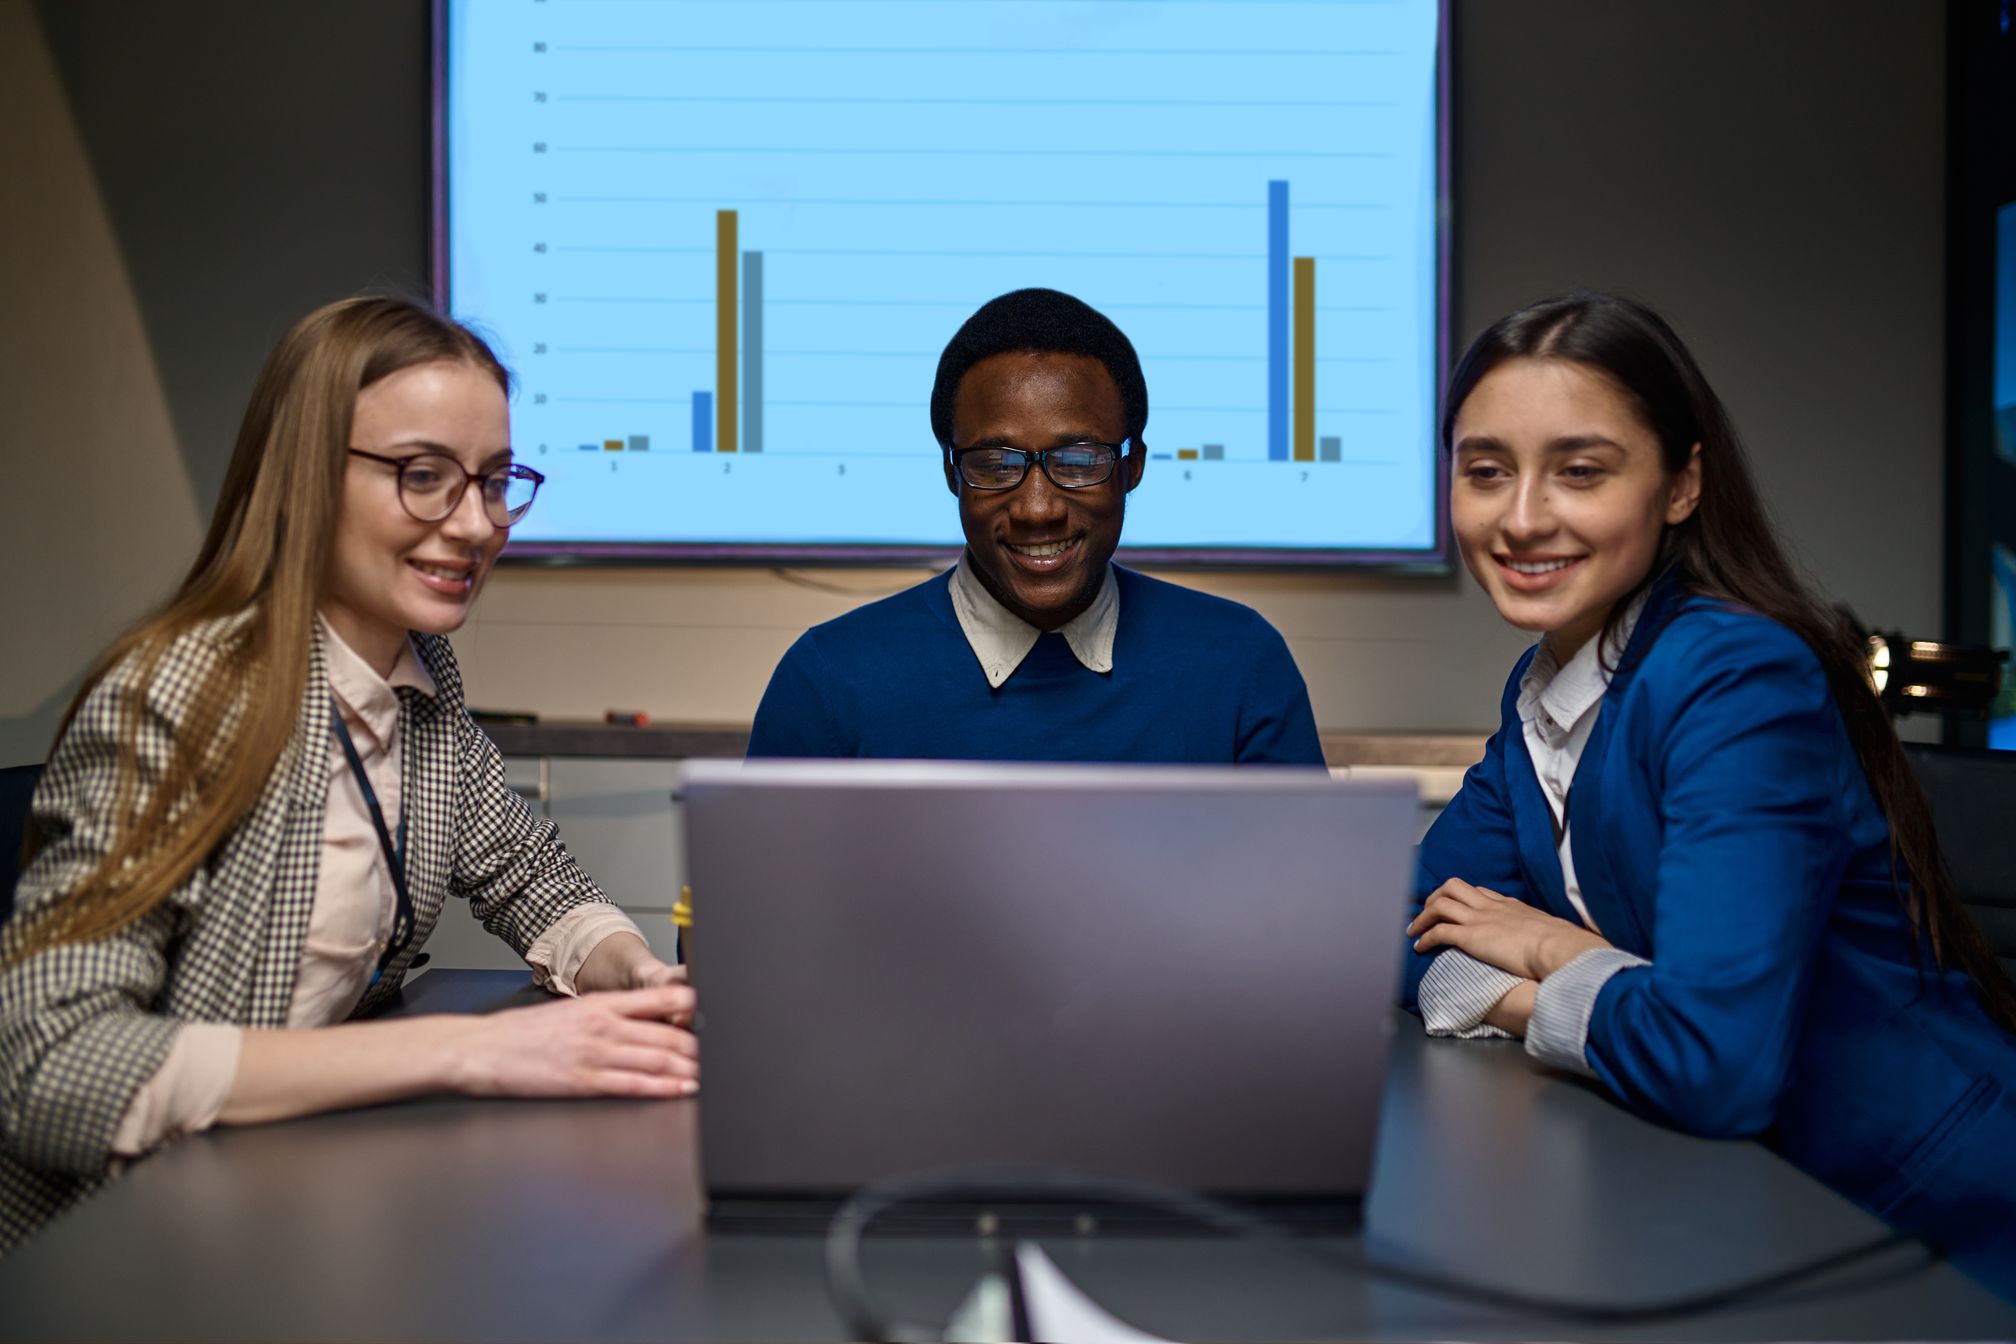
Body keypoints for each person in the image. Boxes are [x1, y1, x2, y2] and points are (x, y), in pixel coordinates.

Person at [0, 295, 698, 1254]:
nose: (476, 524)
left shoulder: (421, 672)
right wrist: (473, 1051)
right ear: (304, 479)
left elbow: (528, 875)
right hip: (120, 1241)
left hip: (279, 1194)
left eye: (496, 482)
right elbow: (48, 1066)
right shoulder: (181, 695)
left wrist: (638, 975)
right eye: (423, 476)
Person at [1402, 292, 2016, 1298]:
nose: (1520, 517)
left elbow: (1714, 1061)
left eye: (1581, 471)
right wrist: (1573, 985)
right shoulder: (1548, 692)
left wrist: (1552, 961)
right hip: (1752, 1213)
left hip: (1933, 1230)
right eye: (1486, 472)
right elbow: (1407, 939)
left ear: (1682, 484)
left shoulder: (1736, 677)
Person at [747, 288, 1324, 765]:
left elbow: (1308, 894)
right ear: (952, 472)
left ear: (1132, 467)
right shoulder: (830, 680)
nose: (1037, 508)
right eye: (996, 464)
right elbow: (760, 901)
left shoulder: (1239, 662)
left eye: (1077, 460)